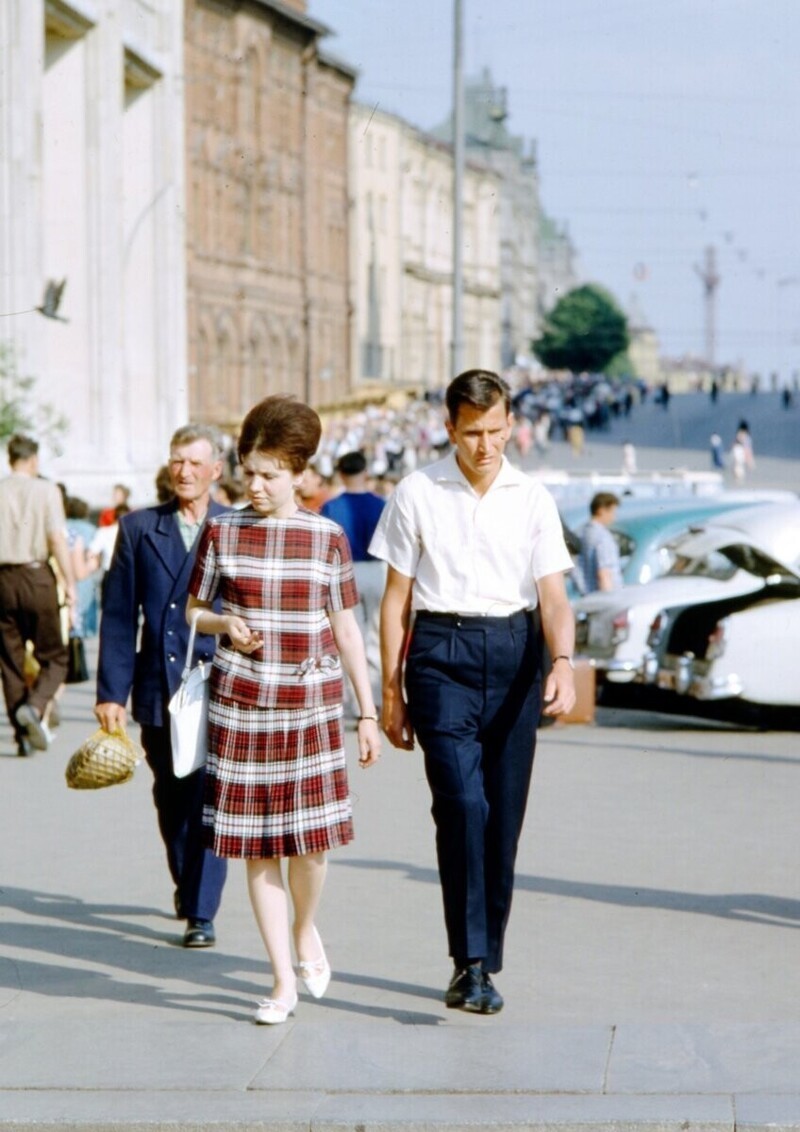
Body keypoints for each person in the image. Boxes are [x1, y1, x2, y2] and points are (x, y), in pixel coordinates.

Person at [370, 369, 575, 1015]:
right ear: (449, 429)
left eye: (495, 431)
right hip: (440, 656)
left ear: (510, 424)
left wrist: (563, 661)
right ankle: (470, 963)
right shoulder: (417, 491)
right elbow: (395, 600)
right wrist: (390, 691)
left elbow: (555, 596)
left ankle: (487, 956)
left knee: (503, 816)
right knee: (462, 806)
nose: (485, 446)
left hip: (516, 656)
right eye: (471, 433)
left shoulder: (533, 497)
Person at [186, 395, 380, 1025]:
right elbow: (192, 611)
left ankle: (305, 931)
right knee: (256, 849)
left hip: (312, 707)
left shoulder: (328, 538)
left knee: (311, 846)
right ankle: (280, 980)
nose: (257, 484)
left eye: (271, 473)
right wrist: (224, 622)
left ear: (300, 473)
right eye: (249, 470)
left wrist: (369, 714)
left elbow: (348, 630)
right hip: (242, 705)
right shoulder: (222, 530)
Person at [95, 425, 229, 948]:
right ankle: (186, 878)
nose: (185, 472)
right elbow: (120, 615)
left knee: (210, 795)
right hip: (159, 685)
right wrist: (111, 691)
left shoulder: (236, 526)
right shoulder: (138, 529)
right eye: (177, 461)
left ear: (216, 470)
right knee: (172, 797)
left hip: (221, 682)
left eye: (196, 463)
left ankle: (201, 909)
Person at [0, 434, 76, 757]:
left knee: (10, 659)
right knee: (55, 656)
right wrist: (70, 583)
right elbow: (56, 539)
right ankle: (35, 705)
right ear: (33, 460)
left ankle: (22, 736)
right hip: (37, 576)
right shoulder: (47, 490)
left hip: (3, 579)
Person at [321, 450, 386, 716]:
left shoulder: (331, 506)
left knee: (351, 635)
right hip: (378, 569)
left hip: (347, 571)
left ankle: (359, 701)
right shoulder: (381, 503)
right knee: (377, 635)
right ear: (365, 472)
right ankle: (379, 695)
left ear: (341, 474)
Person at [578, 492, 623, 593]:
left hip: (588, 595)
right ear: (601, 510)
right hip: (605, 597)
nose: (614, 517)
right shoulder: (603, 537)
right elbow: (604, 573)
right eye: (612, 512)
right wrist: (609, 601)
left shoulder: (583, 533)